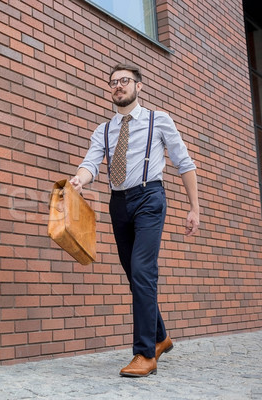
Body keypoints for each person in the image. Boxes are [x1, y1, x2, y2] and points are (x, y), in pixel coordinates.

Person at [69, 63, 200, 377]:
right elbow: (91, 162)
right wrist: (80, 179)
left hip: (149, 197)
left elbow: (184, 162)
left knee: (143, 270)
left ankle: (144, 355)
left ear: (139, 86)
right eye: (113, 82)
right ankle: (160, 337)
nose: (118, 86)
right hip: (119, 203)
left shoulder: (159, 120)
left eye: (124, 81)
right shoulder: (103, 129)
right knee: (134, 275)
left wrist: (194, 207)